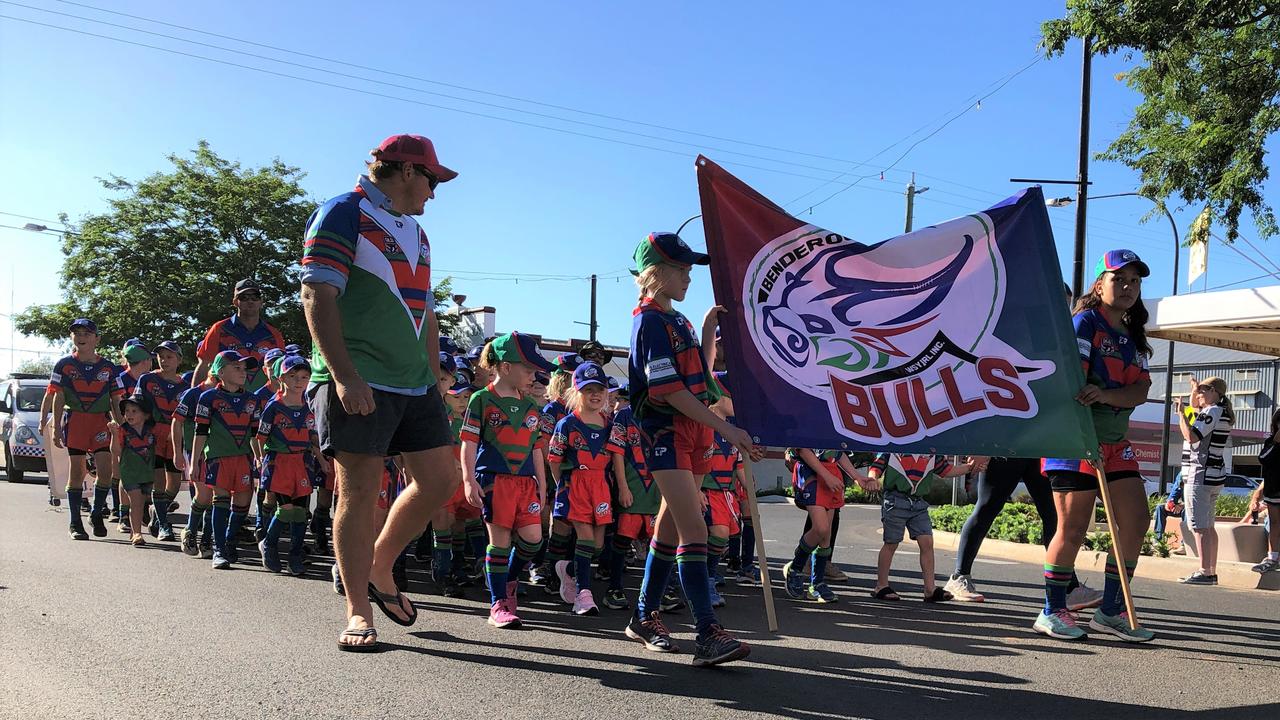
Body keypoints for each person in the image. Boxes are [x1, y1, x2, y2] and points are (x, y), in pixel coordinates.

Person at [301, 133, 462, 652]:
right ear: (409, 171)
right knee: (360, 492)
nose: (434, 194)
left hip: (415, 383)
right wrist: (345, 376)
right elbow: (316, 296)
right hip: (358, 376)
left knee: (441, 482)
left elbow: (428, 314)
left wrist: (435, 376)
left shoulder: (418, 233)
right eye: (433, 181)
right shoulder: (340, 212)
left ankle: (379, 566)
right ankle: (356, 609)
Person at [625, 231, 760, 667]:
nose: (688, 277)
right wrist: (729, 429)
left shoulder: (677, 320)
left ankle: (644, 616)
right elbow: (670, 391)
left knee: (669, 527)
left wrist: (705, 331)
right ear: (655, 273)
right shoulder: (647, 321)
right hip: (665, 432)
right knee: (694, 530)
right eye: (681, 269)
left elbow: (697, 377)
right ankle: (706, 633)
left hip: (693, 432)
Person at [1037, 250, 1157, 642]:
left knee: (1137, 521)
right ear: (1099, 283)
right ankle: (1052, 609)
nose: (1127, 287)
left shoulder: (1132, 335)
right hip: (1076, 439)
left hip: (1114, 441)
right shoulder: (1084, 323)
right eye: (1118, 279)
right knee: (1072, 529)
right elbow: (1072, 382)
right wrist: (1111, 394)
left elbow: (1141, 390)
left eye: (1134, 281)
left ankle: (1111, 609)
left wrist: (1107, 395)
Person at [459, 332, 556, 629]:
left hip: (526, 483)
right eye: (527, 369)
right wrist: (468, 479)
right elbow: (469, 442)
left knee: (533, 539)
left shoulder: (531, 407)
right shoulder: (481, 399)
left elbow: (538, 450)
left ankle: (510, 577)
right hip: (493, 480)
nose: (534, 376)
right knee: (499, 541)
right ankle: (498, 603)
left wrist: (542, 486)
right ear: (504, 367)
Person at [944, 456, 1101, 608]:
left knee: (1054, 516)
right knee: (986, 509)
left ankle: (1069, 588)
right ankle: (960, 577)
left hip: (1036, 451)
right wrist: (983, 449)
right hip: (1005, 449)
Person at [548, 361, 623, 616]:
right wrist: (564, 487)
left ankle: (568, 570)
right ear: (575, 391)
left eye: (599, 389)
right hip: (576, 486)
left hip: (601, 487)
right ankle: (583, 594)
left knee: (598, 545)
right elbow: (554, 460)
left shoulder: (610, 423)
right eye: (588, 389)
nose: (595, 394)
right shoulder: (567, 424)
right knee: (585, 538)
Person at [868, 453, 982, 602]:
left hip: (918, 502)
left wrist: (969, 468)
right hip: (895, 500)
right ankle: (881, 586)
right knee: (891, 543)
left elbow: (945, 470)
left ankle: (930, 589)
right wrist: (872, 479)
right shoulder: (893, 447)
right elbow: (876, 466)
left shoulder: (931, 452)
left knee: (927, 542)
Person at [42, 318, 116, 541]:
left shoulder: (108, 367)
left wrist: (120, 425)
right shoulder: (64, 365)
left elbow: (116, 398)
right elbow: (57, 396)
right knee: (77, 472)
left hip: (100, 423)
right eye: (77, 333)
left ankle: (96, 513)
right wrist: (55, 428)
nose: (81, 337)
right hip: (76, 421)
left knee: (106, 471)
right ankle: (75, 522)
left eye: (86, 333)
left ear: (97, 338)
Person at [190, 351, 262, 570]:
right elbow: (200, 431)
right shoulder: (209, 397)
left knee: (242, 502)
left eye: (244, 368)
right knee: (220, 499)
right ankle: (218, 549)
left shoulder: (252, 399)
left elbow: (255, 433)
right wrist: (195, 461)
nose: (243, 373)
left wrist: (260, 458)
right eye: (236, 368)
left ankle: (230, 540)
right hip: (218, 457)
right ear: (221, 372)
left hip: (244, 458)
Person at [255, 355, 323, 576]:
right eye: (293, 376)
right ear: (281, 377)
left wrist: (320, 459)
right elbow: (260, 437)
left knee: (301, 513)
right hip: (279, 461)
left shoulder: (309, 405)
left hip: (302, 462)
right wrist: (260, 460)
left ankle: (295, 555)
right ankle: (269, 544)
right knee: (285, 510)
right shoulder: (273, 406)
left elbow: (313, 435)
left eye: (304, 377)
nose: (299, 381)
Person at [784, 448, 873, 603]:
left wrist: (857, 477)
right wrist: (826, 476)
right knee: (821, 528)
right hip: (810, 473)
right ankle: (795, 569)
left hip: (831, 473)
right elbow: (803, 449)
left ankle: (817, 583)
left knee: (826, 535)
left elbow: (837, 452)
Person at [604, 383, 659, 610]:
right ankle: (614, 588)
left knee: (659, 542)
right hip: (634, 488)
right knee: (623, 539)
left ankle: (659, 590)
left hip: (657, 490)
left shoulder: (665, 416)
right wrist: (623, 488)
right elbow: (616, 454)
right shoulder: (624, 416)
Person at [1177, 376, 1235, 586]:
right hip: (1213, 475)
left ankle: (1205, 571)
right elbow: (1196, 406)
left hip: (1199, 475)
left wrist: (1182, 416)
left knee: (1199, 526)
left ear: (1214, 392)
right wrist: (1194, 391)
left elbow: (1191, 436)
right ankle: (1210, 570)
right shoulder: (1220, 412)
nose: (1199, 395)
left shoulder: (1211, 412)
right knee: (1209, 526)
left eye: (1203, 391)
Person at [192, 279, 286, 394]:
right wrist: (194, 397)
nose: (250, 301)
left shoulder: (273, 334)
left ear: (261, 301)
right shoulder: (219, 329)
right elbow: (204, 365)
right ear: (235, 302)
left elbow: (283, 369)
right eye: (244, 297)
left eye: (255, 297)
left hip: (263, 402)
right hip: (224, 402)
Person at [135, 340, 187, 541]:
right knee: (158, 481)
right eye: (161, 356)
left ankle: (158, 514)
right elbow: (137, 406)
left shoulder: (185, 386)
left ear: (179, 360)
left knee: (174, 482)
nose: (164, 360)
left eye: (169, 356)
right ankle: (165, 526)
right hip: (153, 435)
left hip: (175, 438)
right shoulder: (147, 380)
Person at [111, 394, 158, 548]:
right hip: (129, 472)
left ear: (145, 414)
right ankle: (137, 533)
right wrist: (113, 434)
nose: (129, 414)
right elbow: (116, 451)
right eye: (127, 411)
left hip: (146, 472)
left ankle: (134, 529)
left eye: (134, 411)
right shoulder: (123, 430)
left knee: (142, 501)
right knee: (136, 502)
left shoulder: (152, 430)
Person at [1253, 406, 1280, 573]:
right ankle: (1273, 557)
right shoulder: (1270, 442)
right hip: (1273, 490)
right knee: (1275, 523)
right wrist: (1276, 443)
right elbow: (1263, 458)